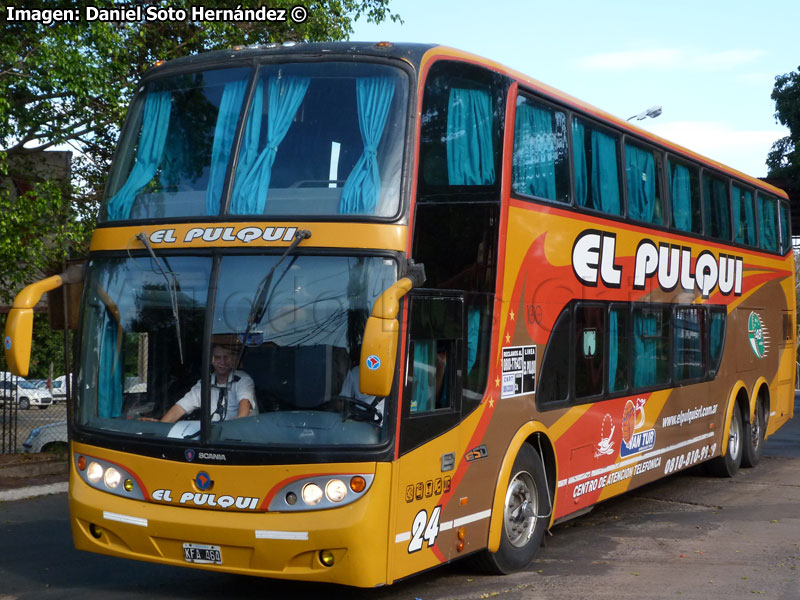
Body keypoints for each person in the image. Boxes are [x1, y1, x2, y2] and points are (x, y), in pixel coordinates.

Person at [159, 344, 256, 423]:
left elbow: (244, 404)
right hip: (211, 439)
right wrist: (160, 427)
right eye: (217, 358)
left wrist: (239, 421)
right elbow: (181, 407)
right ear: (211, 361)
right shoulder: (205, 382)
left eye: (226, 357)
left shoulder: (243, 379)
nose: (222, 362)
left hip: (237, 437)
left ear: (232, 359)